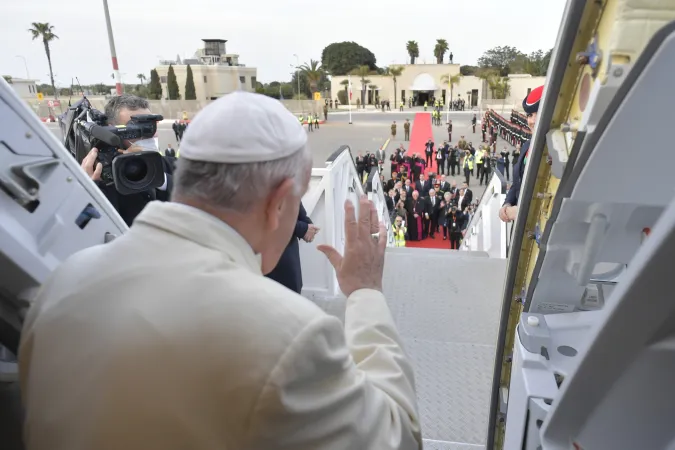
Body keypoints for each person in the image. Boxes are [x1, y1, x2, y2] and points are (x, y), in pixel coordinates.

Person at [19, 92, 422, 450]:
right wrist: (366, 292)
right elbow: (398, 437)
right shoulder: (291, 335)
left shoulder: (62, 284)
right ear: (281, 201)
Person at [79, 94, 173, 225]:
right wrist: (90, 191)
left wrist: (159, 178)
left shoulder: (175, 166)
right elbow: (85, 226)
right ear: (111, 132)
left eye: (150, 128)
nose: (148, 137)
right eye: (136, 131)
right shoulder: (104, 181)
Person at [499, 85, 544, 223]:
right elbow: (517, 182)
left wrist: (520, 211)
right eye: (530, 115)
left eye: (539, 112)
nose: (532, 121)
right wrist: (507, 204)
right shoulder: (527, 146)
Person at [265, 202, 318, 294]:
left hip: (288, 253)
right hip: (268, 255)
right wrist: (302, 228)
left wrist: (308, 226)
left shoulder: (290, 188)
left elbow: (298, 210)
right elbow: (266, 215)